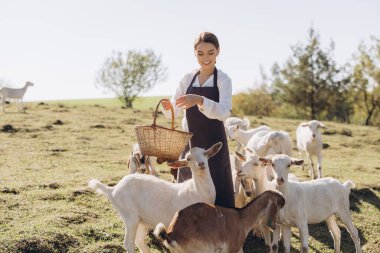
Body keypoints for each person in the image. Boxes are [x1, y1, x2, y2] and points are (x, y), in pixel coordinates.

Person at [161, 32, 234, 208]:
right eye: (200, 53)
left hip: (213, 146)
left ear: (218, 51)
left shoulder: (223, 80)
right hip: (191, 145)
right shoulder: (187, 79)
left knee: (218, 191)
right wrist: (167, 107)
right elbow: (175, 111)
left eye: (210, 52)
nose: (205, 58)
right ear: (195, 53)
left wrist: (200, 100)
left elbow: (224, 112)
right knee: (188, 193)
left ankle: (220, 230)